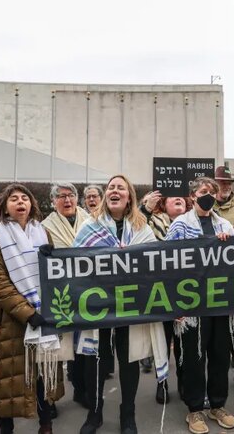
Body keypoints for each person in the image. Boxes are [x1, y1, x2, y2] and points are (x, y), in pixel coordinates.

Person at [73, 175, 168, 434]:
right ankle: (94, 413)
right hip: (98, 305)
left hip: (130, 306)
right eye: (111, 187)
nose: (115, 191)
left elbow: (154, 264)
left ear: (129, 197)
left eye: (121, 188)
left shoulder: (142, 228)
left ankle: (128, 414)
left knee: (129, 359)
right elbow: (74, 260)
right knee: (97, 360)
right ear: (106, 196)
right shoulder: (88, 226)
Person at [0, 184, 65, 434]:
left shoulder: (44, 233)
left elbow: (54, 275)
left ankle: (46, 424)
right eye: (14, 199)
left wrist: (53, 258)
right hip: (8, 320)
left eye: (25, 198)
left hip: (42, 315)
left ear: (31, 205)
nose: (20, 202)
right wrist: (26, 312)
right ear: (5, 206)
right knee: (7, 379)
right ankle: (6, 429)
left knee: (40, 374)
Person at [166, 177, 234, 434]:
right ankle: (194, 409)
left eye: (212, 192)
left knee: (220, 356)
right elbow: (168, 261)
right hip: (192, 305)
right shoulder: (180, 225)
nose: (208, 195)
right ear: (193, 196)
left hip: (220, 303)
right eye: (203, 191)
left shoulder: (225, 224)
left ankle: (217, 405)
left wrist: (229, 244)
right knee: (194, 358)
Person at [41, 183, 90, 410]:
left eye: (71, 195)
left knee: (84, 348)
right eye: (61, 196)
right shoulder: (45, 227)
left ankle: (82, 390)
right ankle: (50, 397)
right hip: (59, 294)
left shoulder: (90, 221)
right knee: (56, 350)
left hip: (86, 294)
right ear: (53, 201)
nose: (67, 200)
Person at [139, 192, 188, 404]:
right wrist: (146, 209)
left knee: (185, 342)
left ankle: (185, 383)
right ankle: (162, 382)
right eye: (173, 198)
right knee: (163, 339)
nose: (178, 200)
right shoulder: (152, 224)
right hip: (162, 293)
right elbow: (136, 229)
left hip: (188, 293)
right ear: (163, 205)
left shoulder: (194, 223)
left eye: (182, 199)